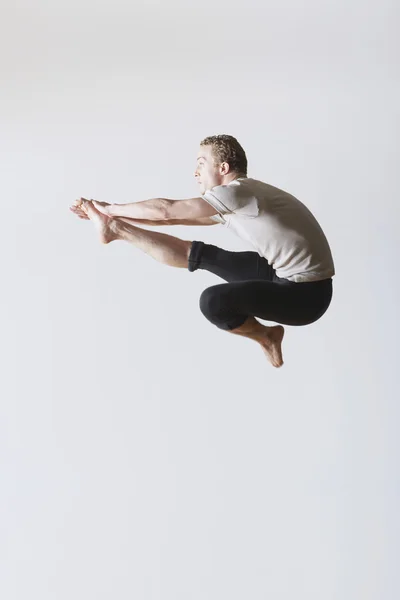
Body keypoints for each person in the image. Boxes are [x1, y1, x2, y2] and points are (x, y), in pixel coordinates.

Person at [70, 134, 335, 368]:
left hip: (306, 297)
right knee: (200, 254)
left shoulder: (237, 193)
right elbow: (170, 219)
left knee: (214, 302)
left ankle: (265, 336)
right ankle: (115, 229)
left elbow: (166, 210)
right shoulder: (239, 199)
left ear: (223, 168)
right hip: (285, 277)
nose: (195, 172)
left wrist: (109, 207)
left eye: (201, 163)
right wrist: (109, 216)